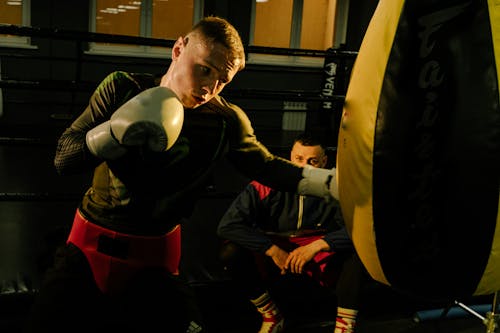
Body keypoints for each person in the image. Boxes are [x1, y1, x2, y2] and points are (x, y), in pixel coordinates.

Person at [24, 16, 338, 333]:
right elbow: (64, 159)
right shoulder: (123, 88)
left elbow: (267, 166)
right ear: (178, 49)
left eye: (222, 80)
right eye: (204, 69)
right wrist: (111, 134)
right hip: (85, 251)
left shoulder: (225, 121)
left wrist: (332, 184)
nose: (209, 87)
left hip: (155, 264)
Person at [217, 132, 367, 333]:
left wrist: (319, 244)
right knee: (230, 252)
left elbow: (362, 229)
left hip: (319, 250)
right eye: (299, 159)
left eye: (313, 161)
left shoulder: (338, 187)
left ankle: (345, 327)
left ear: (324, 161)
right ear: (290, 157)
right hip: (278, 248)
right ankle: (271, 316)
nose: (305, 166)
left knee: (359, 254)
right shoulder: (265, 184)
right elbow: (227, 225)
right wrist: (272, 250)